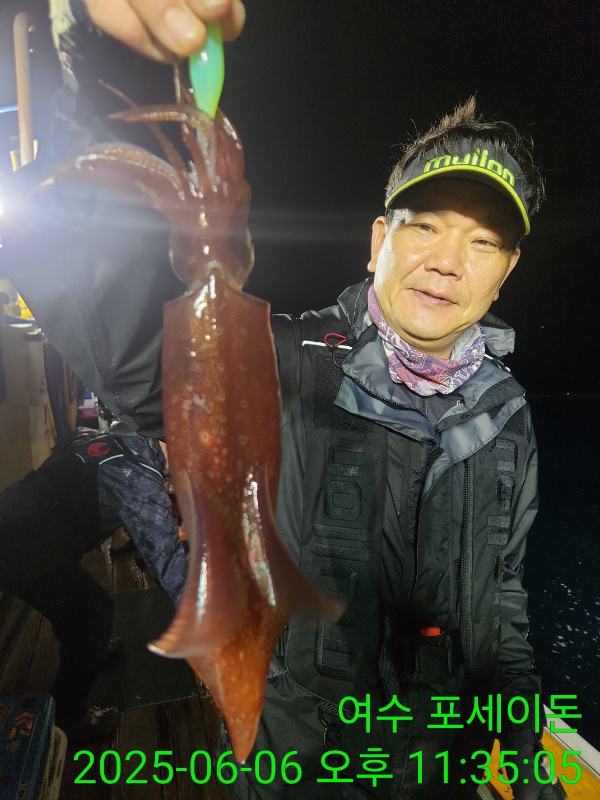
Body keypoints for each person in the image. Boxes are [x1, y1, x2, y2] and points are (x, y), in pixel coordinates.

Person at [1, 2, 565, 797]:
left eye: (483, 242)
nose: (448, 260)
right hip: (299, 761)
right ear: (379, 242)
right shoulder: (289, 361)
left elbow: (501, 597)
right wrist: (99, 64)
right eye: (426, 226)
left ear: (506, 273)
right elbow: (134, 363)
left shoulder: (505, 413)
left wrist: (525, 738)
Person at [0, 425, 187, 740]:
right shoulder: (138, 478)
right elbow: (168, 564)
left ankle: (90, 650)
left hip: (16, 513)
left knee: (75, 610)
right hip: (22, 543)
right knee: (92, 615)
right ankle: (68, 720)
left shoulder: (105, 436)